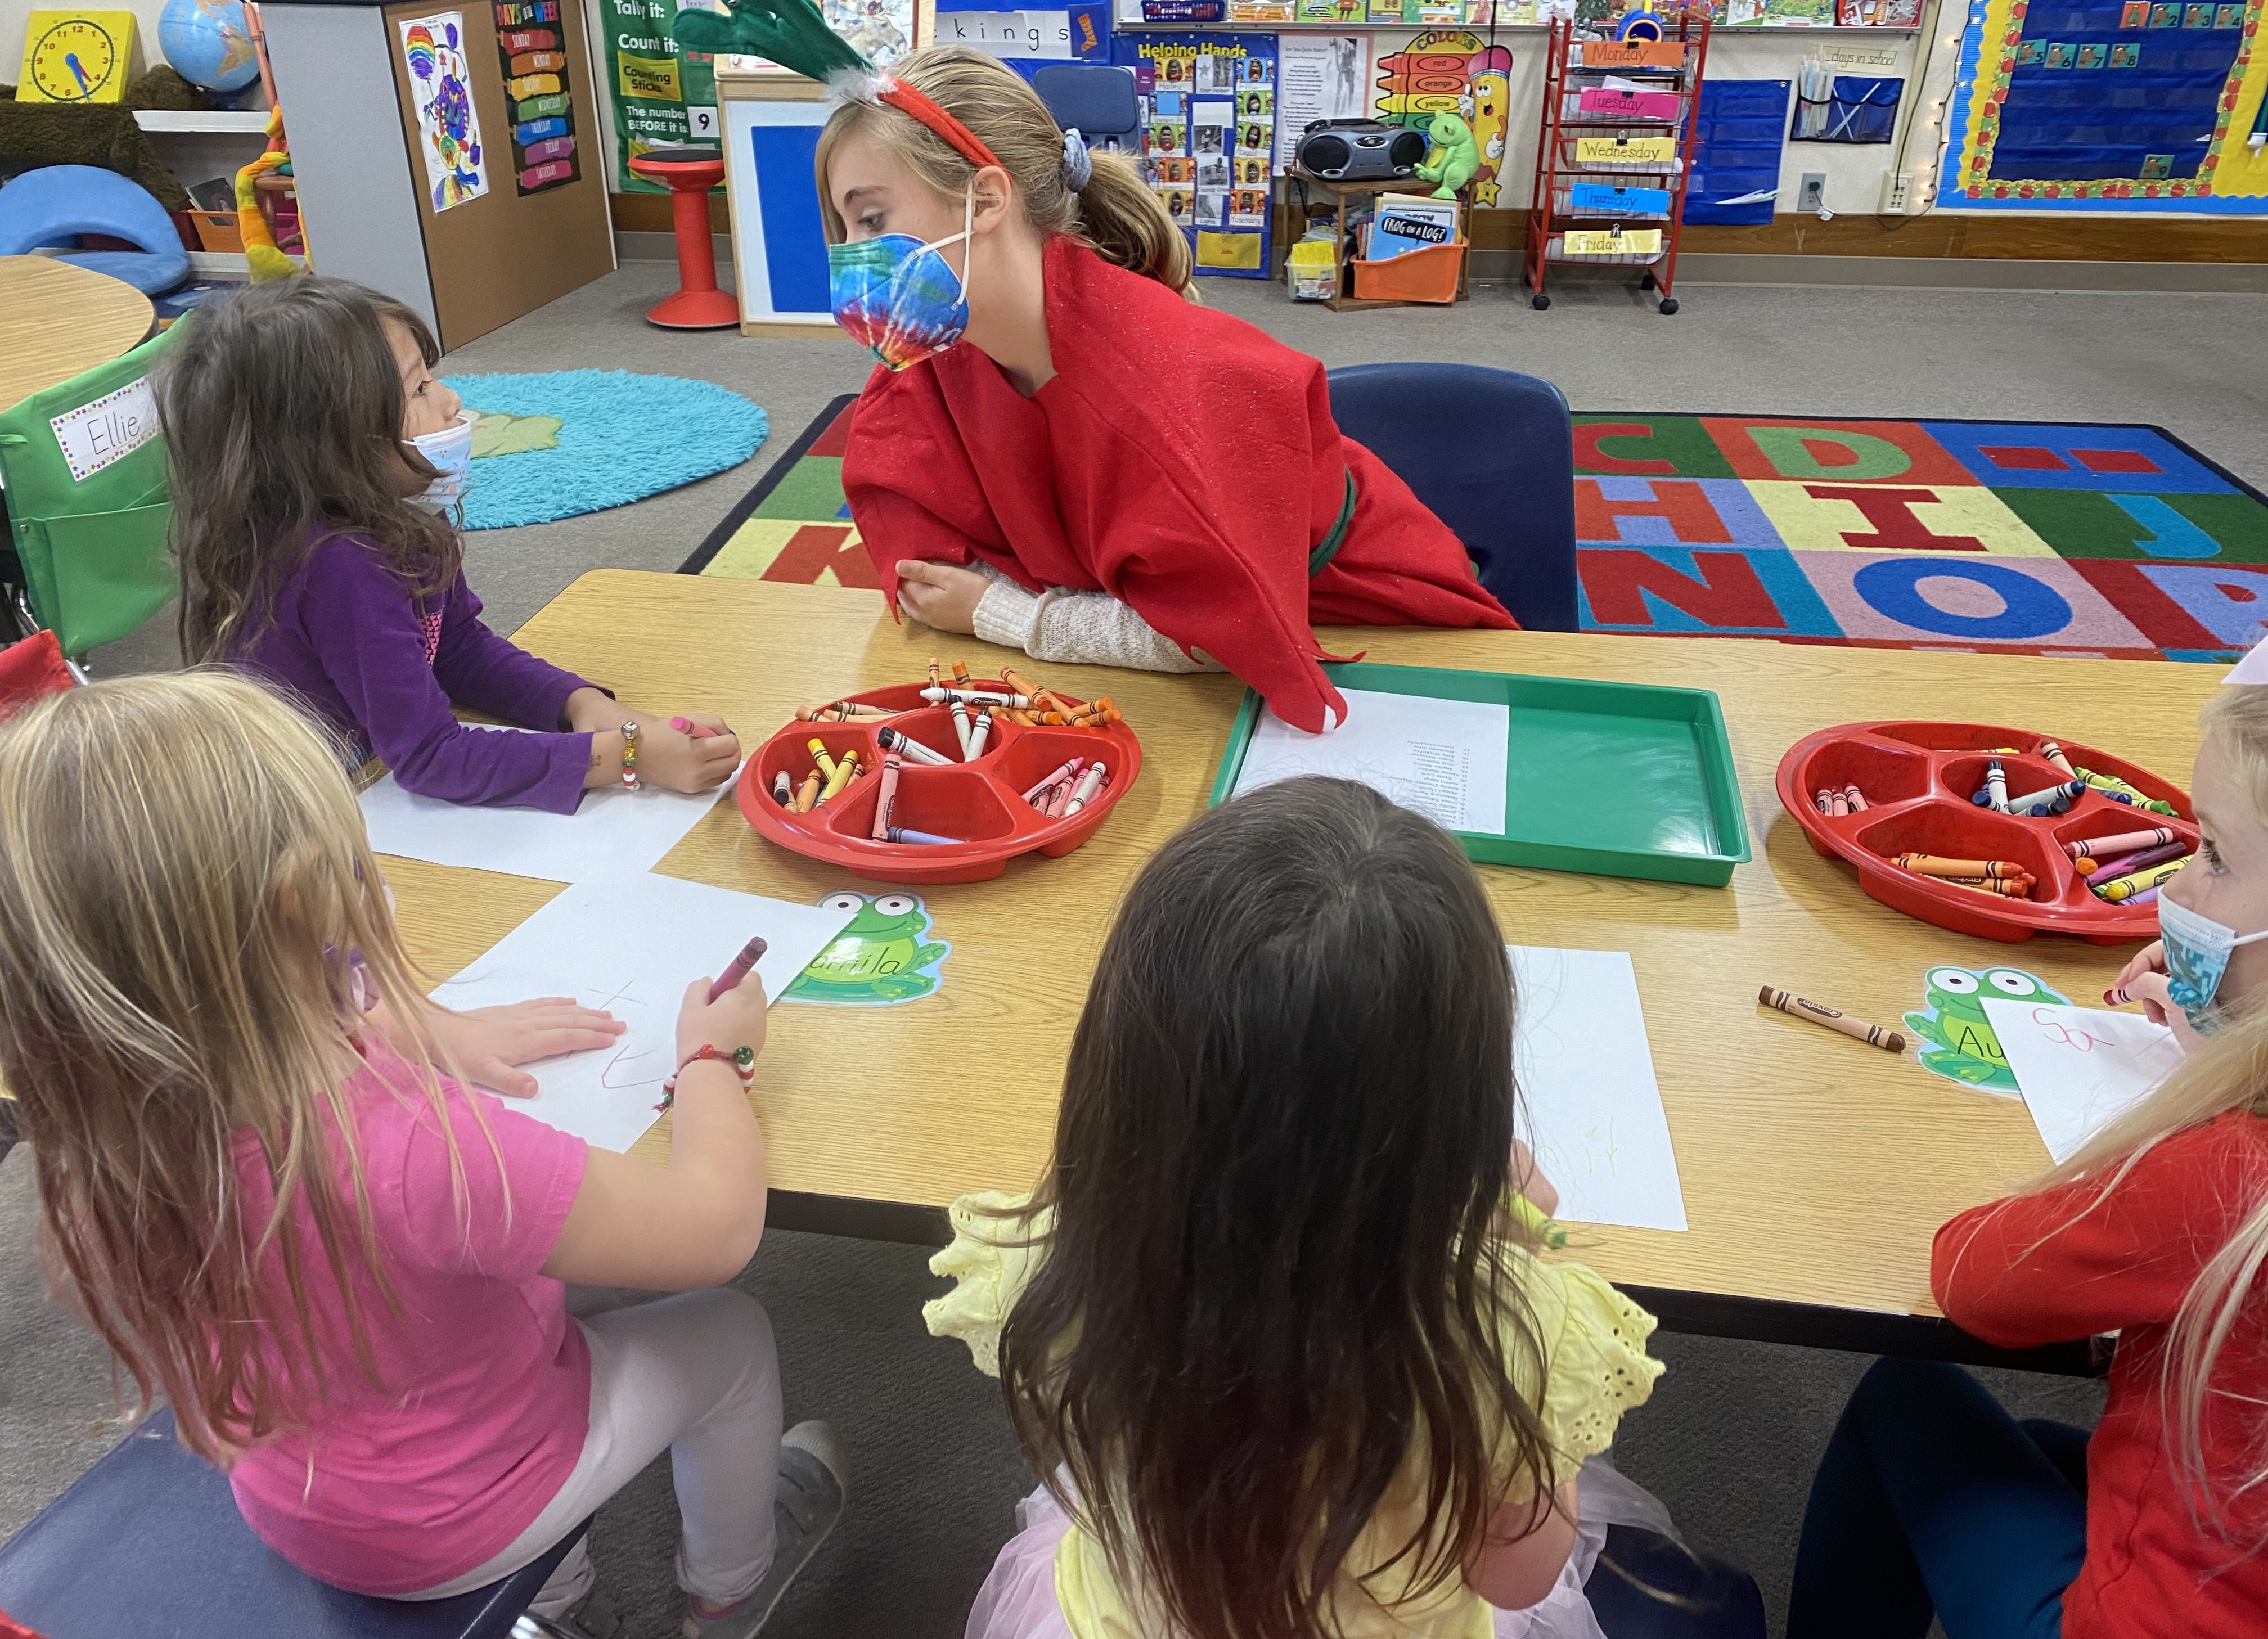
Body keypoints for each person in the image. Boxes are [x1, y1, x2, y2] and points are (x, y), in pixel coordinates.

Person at [0, 673, 845, 1639]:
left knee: (563, 1292)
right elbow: (717, 1229)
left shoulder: (105, 1134)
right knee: (727, 1332)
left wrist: (423, 1027)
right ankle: (731, 1590)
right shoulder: (422, 1152)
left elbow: (297, 1033)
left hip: (296, 1493)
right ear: (304, 895)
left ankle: (561, 1606)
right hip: (460, 1519)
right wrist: (713, 1057)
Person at [926, 776, 1765, 1638]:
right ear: (1452, 1118)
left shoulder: (1054, 1258)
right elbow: (1518, 1576)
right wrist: (1516, 1264)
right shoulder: (1501, 1335)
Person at [807, 39, 1512, 733]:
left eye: (872, 220)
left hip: (1372, 628)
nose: (851, 256)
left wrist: (1012, 615)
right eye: (843, 228)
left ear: (986, 198)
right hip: (1139, 656)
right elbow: (924, 570)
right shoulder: (941, 355)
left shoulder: (1165, 389)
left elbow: (1221, 634)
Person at [1786, 681, 2268, 1639]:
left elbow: (1970, 1274)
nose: (2172, 888)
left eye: (2210, 852)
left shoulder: (2227, 1180)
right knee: (2053, 1452)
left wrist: (2200, 1097)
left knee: (1907, 1395)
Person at [159, 277, 741, 811]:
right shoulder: (339, 567)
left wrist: (581, 706)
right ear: (327, 443)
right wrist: (627, 758)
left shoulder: (393, 523)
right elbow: (432, 758)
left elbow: (455, 650)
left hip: (360, 775)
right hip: (300, 813)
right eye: (417, 390)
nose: (451, 401)